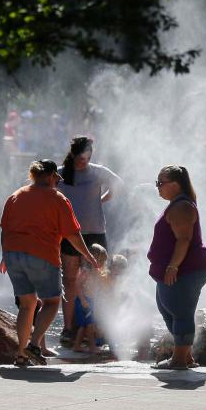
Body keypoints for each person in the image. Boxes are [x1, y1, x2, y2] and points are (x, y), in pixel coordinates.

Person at [1, 160, 97, 367]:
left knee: (27, 305)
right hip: (42, 255)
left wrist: (5, 256)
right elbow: (72, 234)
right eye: (56, 179)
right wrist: (88, 255)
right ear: (52, 176)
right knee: (52, 302)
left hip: (13, 255)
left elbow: (5, 229)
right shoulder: (58, 199)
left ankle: (21, 354)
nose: (57, 183)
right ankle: (35, 345)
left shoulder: (16, 196)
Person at [57, 136, 122, 345]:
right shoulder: (60, 173)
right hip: (69, 233)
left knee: (98, 280)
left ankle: (97, 328)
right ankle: (69, 328)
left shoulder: (98, 171)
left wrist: (101, 200)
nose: (83, 162)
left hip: (95, 231)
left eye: (87, 157)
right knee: (69, 280)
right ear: (73, 154)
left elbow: (119, 185)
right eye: (80, 157)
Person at [148, 165, 206, 370]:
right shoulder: (176, 205)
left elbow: (184, 239)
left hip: (186, 268)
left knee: (180, 311)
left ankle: (179, 360)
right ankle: (185, 357)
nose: (157, 187)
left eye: (161, 183)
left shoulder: (182, 206)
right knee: (167, 307)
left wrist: (173, 267)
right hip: (177, 268)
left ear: (175, 185)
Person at [73, 243, 109, 355]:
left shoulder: (94, 271)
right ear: (94, 258)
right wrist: (83, 300)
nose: (102, 264)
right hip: (84, 301)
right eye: (101, 261)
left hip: (89, 301)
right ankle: (92, 346)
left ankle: (77, 346)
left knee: (84, 325)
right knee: (89, 324)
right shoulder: (86, 271)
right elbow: (77, 285)